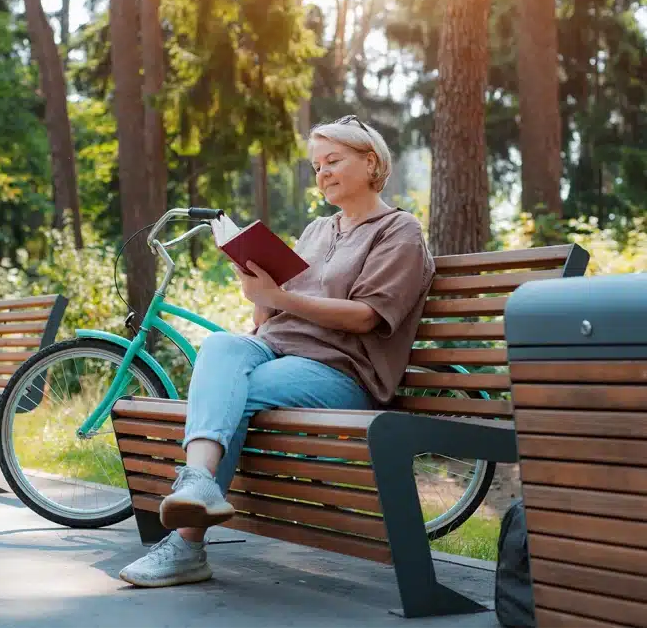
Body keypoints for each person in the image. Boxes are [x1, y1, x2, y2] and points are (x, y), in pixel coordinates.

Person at [118, 115, 436, 588]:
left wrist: (281, 298)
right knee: (222, 346)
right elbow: (274, 315)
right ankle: (199, 485)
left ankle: (186, 544)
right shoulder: (317, 230)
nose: (323, 172)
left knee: (235, 393)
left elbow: (366, 316)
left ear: (371, 162)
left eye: (333, 161)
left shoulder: (399, 231)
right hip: (278, 350)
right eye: (316, 166)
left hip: (342, 372)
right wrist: (261, 296)